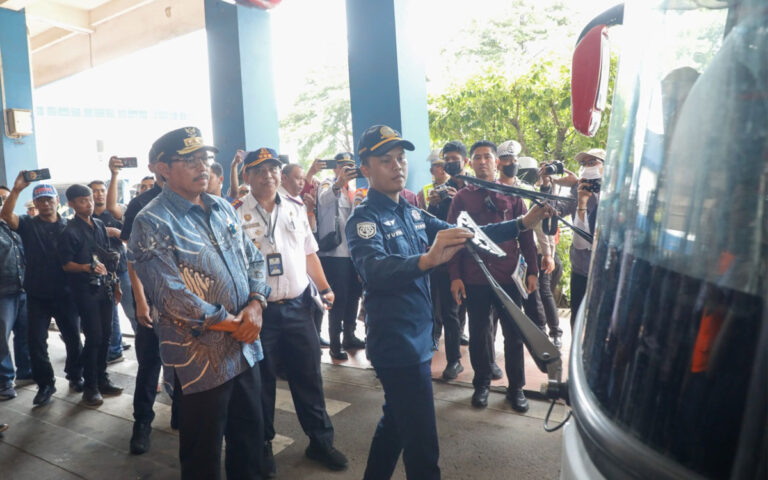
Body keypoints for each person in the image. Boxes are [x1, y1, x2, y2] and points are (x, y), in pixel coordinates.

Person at [347, 125, 553, 480]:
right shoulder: (364, 219)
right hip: (397, 344)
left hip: (419, 336)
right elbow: (375, 269)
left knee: (395, 423)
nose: (398, 166)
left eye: (401, 158)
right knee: (423, 446)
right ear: (365, 168)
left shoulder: (410, 211)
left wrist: (521, 223)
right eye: (386, 160)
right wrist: (426, 260)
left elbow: (465, 232)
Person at [128, 127, 269, 479]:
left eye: (204, 157)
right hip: (200, 362)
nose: (202, 166)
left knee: (251, 442)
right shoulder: (152, 221)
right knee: (203, 456)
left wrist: (255, 304)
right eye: (189, 159)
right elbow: (172, 297)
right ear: (161, 168)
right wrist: (237, 324)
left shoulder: (221, 206)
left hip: (245, 350)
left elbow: (254, 259)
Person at [236, 148, 348, 477]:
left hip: (299, 308)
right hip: (261, 313)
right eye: (260, 170)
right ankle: (263, 446)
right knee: (262, 383)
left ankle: (320, 441)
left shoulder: (296, 208)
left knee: (309, 377)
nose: (268, 175)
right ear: (247, 177)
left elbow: (309, 252)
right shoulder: (234, 214)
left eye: (273, 169)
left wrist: (324, 287)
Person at [448, 140, 540, 412]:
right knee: (478, 332)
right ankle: (482, 384)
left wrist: (532, 271)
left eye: (487, 157)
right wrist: (455, 276)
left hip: (508, 276)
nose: (482, 162)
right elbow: (454, 239)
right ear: (470, 163)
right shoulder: (461, 198)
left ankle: (516, 389)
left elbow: (526, 234)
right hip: (475, 277)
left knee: (514, 334)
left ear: (496, 161)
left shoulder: (513, 196)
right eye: (477, 157)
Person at [0, 179, 83, 407]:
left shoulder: (69, 225)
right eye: (41, 200)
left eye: (49, 199)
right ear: (35, 203)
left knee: (74, 339)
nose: (46, 203)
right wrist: (17, 190)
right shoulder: (27, 224)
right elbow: (7, 216)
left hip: (66, 295)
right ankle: (46, 384)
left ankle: (76, 376)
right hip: (37, 296)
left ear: (57, 201)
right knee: (36, 342)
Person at [59, 184, 123, 407]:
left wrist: (116, 282)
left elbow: (105, 256)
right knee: (94, 337)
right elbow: (66, 265)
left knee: (106, 336)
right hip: (84, 291)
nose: (89, 203)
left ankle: (102, 378)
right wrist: (86, 267)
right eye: (83, 200)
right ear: (72, 204)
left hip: (104, 287)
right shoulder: (69, 231)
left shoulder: (97, 224)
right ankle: (90, 386)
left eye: (90, 199)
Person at [120, 161, 165, 455]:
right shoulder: (142, 204)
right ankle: (142, 423)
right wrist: (140, 299)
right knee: (150, 363)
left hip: (191, 301)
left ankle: (183, 413)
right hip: (153, 297)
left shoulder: (201, 200)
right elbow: (132, 256)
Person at [496, 140, 560, 346]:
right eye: (506, 160)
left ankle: (541, 343)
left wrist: (548, 253)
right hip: (502, 258)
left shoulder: (526, 190)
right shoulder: (490, 190)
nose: (511, 163)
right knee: (502, 309)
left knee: (534, 302)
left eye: (514, 160)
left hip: (527, 255)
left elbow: (540, 224)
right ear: (498, 163)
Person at [544, 148, 605, 328]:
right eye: (584, 163)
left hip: (603, 271)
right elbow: (553, 211)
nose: (587, 166)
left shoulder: (617, 194)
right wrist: (549, 183)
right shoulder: (576, 191)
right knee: (577, 321)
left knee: (600, 322)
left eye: (592, 162)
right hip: (581, 269)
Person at [317, 153, 365, 360]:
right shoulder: (328, 184)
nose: (348, 170)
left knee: (354, 295)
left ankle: (350, 336)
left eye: (350, 166)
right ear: (336, 168)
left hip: (352, 252)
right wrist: (339, 182)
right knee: (338, 298)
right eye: (344, 166)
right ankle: (335, 344)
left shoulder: (353, 190)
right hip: (334, 254)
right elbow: (324, 200)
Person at [0, 185, 32, 401]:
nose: (2, 202)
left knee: (25, 333)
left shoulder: (16, 225)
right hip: (2, 293)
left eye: (5, 198)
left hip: (23, 288)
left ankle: (26, 371)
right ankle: (4, 382)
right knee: (1, 338)